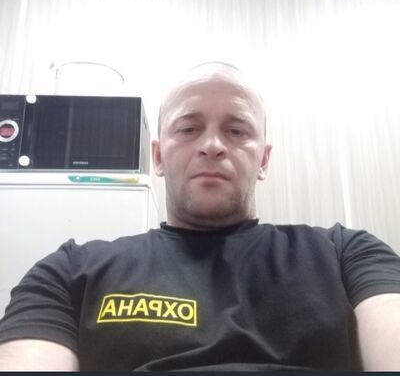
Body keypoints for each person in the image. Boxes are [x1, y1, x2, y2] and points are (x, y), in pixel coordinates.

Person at [0, 61, 400, 371]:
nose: (212, 145)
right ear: (158, 157)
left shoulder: (346, 254)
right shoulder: (68, 272)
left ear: (263, 160)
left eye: (236, 131)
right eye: (189, 129)